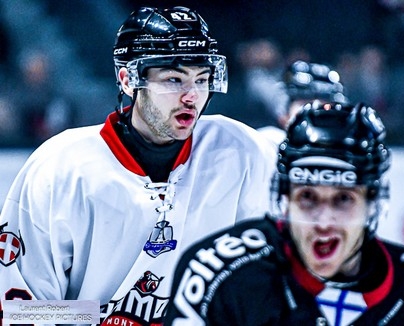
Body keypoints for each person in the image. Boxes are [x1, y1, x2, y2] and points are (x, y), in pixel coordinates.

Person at [0, 6, 276, 325]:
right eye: (174, 79)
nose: (192, 96)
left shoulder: (242, 153)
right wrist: (102, 318)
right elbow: (19, 310)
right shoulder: (60, 169)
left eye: (202, 79)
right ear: (127, 79)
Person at [165, 101, 404, 325]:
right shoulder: (220, 277)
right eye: (308, 198)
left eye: (343, 200)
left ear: (373, 201)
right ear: (284, 198)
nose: (323, 222)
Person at [258, 60, 347, 146]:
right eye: (306, 104)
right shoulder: (267, 143)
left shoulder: (350, 146)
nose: (315, 111)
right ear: (284, 115)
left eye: (325, 106)